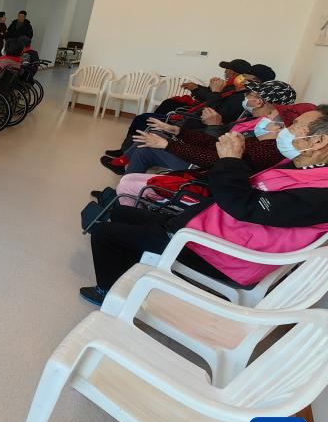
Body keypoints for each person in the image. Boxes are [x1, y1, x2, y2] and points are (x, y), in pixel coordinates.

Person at [80, 105, 328, 306]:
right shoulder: (300, 166)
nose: (287, 129)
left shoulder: (320, 193)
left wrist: (231, 160)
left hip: (223, 254)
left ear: (318, 141)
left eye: (295, 125)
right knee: (122, 212)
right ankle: (132, 272)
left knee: (103, 232)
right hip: (212, 229)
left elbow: (245, 206)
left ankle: (109, 294)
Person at [121, 81, 300, 175]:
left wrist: (169, 144)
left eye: (250, 93)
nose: (245, 95)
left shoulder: (265, 141)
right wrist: (178, 132)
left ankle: (123, 193)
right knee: (155, 134)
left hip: (206, 166)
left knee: (146, 149)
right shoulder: (254, 123)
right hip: (206, 151)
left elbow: (216, 156)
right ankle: (123, 164)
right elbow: (217, 144)